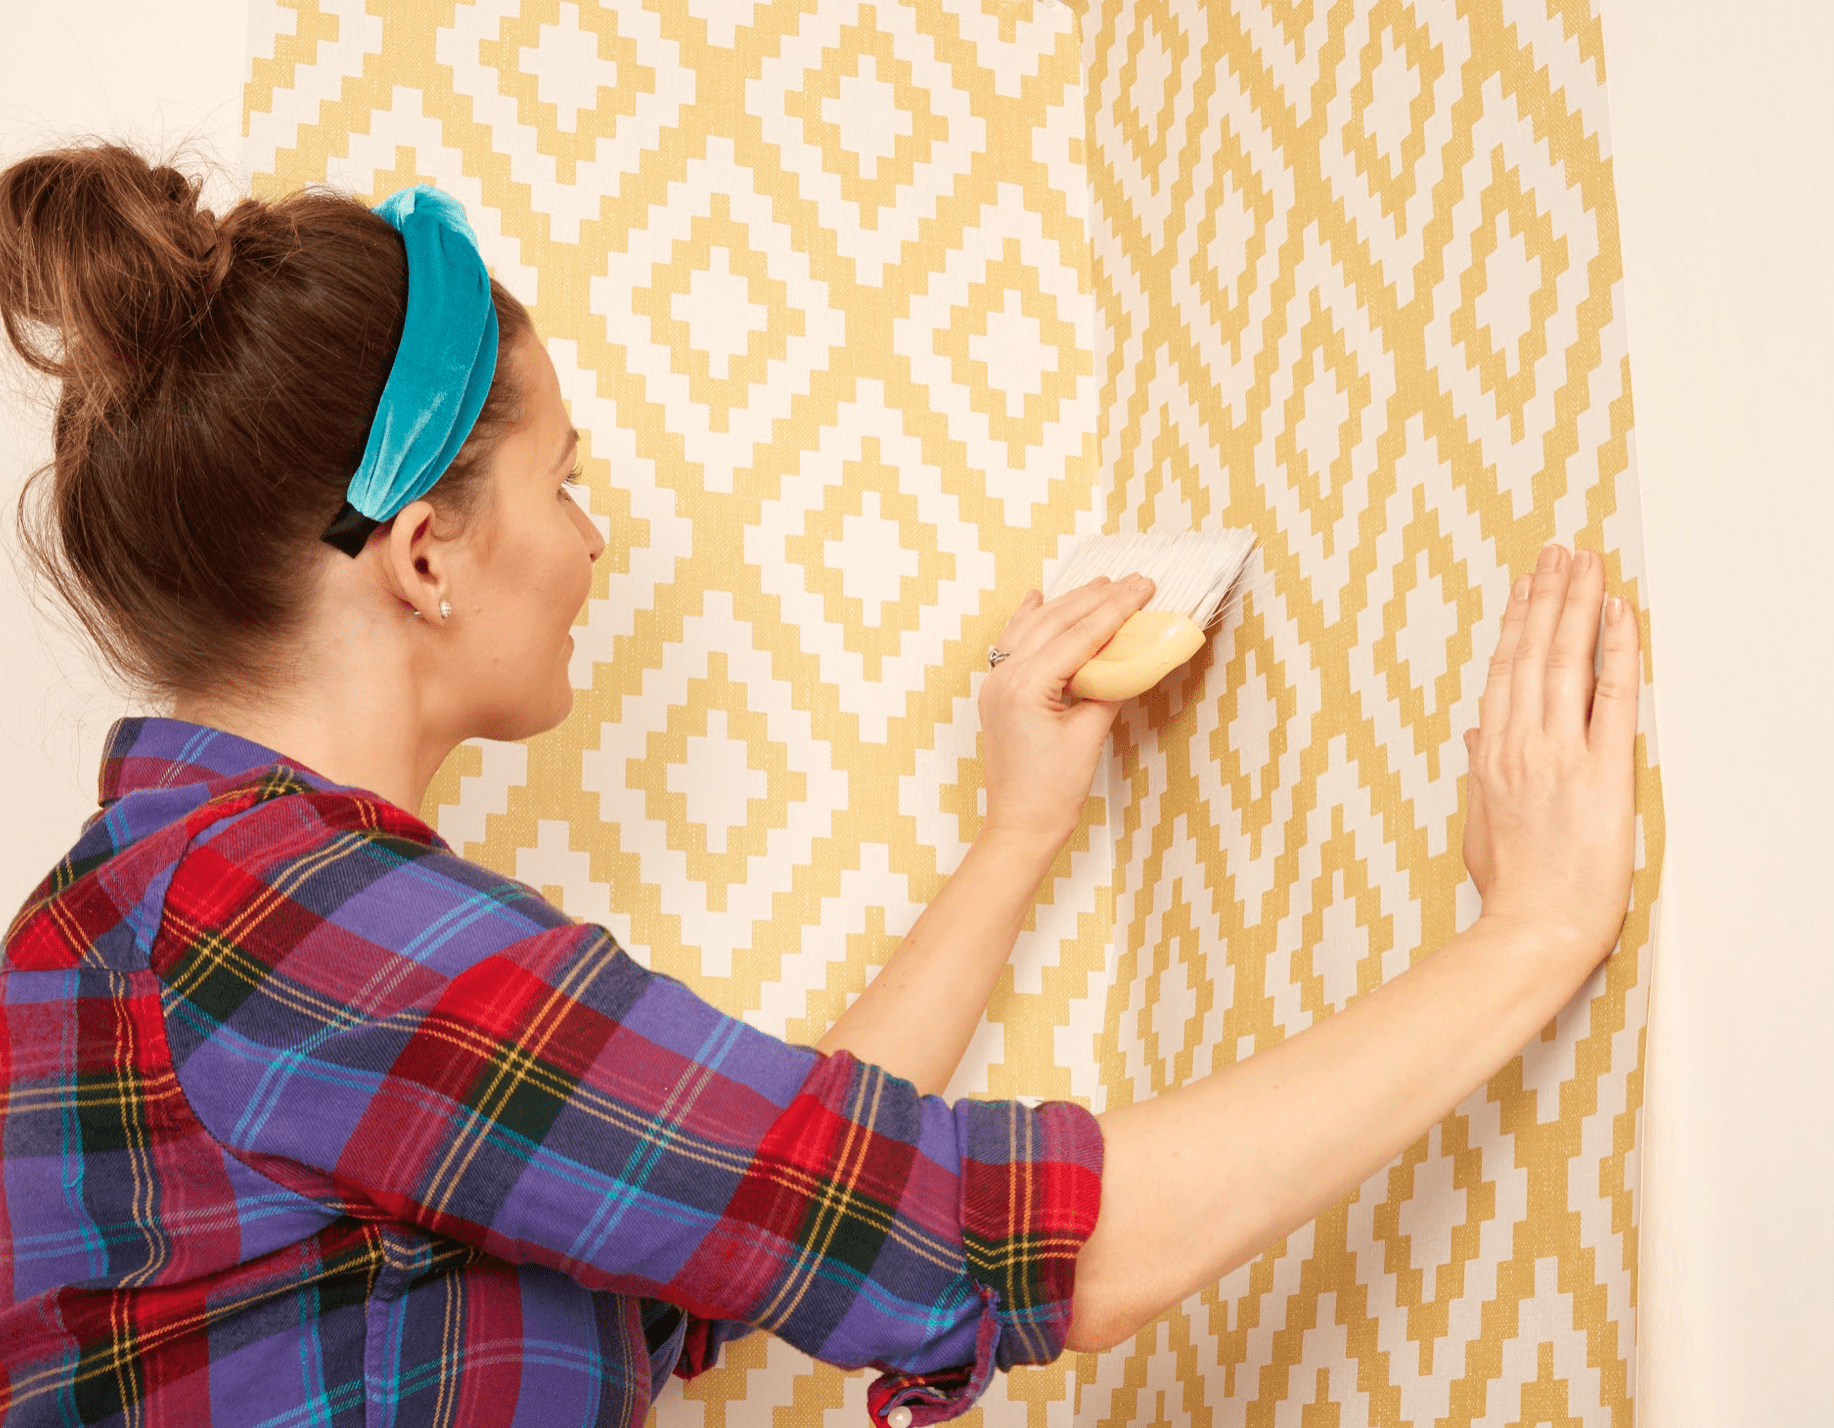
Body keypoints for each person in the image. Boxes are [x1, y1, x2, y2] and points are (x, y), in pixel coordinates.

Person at [0, 145, 1638, 1427]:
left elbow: (731, 1235)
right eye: (563, 482)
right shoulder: (294, 920)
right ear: (426, 554)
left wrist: (1019, 828)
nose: (590, 542)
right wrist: (1532, 933)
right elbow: (982, 1239)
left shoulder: (197, 911)